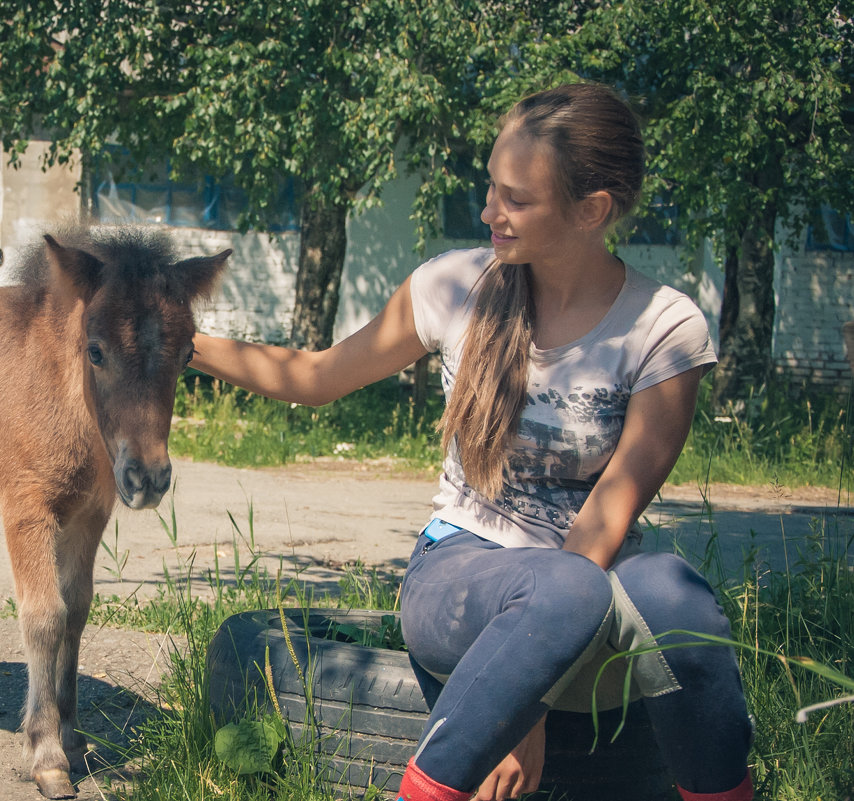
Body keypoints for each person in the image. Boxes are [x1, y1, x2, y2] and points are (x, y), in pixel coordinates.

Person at [189, 82, 753, 801]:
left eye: (516, 198)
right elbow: (316, 376)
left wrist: (527, 698)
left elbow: (612, 509)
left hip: (588, 595)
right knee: (565, 588)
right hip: (460, 577)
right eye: (491, 186)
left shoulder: (664, 327)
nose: (490, 210)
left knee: (677, 598)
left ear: (593, 210)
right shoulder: (453, 287)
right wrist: (181, 342)